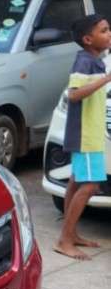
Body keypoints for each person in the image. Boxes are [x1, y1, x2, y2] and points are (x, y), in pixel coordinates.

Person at [55, 13, 111, 260]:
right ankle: (64, 240)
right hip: (85, 135)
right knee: (90, 186)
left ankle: (71, 234)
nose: (109, 34)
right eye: (104, 31)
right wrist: (107, 79)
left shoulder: (95, 59)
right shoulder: (84, 62)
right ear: (88, 39)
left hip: (90, 133)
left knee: (77, 182)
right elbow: (74, 94)